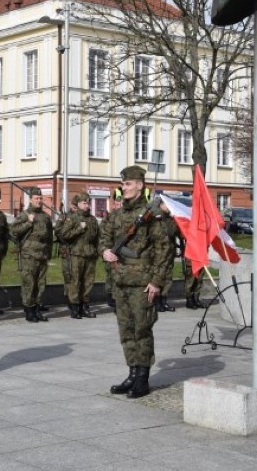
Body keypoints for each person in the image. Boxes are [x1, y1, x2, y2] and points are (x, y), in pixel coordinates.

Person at [100, 166, 172, 399]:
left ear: (140, 185)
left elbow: (164, 250)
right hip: (120, 280)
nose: (125, 187)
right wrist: (105, 251)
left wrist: (157, 282)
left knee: (142, 329)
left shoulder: (151, 215)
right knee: (126, 330)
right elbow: (103, 237)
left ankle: (142, 378)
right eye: (124, 184)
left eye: (129, 184)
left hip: (143, 282)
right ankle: (131, 373)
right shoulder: (117, 214)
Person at [10, 187, 54, 322]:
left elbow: (50, 237)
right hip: (29, 255)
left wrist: (49, 253)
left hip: (42, 254)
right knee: (29, 283)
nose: (39, 201)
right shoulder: (24, 215)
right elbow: (13, 232)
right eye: (36, 198)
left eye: (40, 198)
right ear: (30, 199)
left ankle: (37, 308)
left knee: (40, 284)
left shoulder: (46, 217)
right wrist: (28, 223)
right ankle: (29, 310)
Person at [56, 192, 100, 319]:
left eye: (88, 203)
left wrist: (97, 251)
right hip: (76, 254)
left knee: (88, 282)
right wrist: (79, 229)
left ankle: (85, 307)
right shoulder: (73, 218)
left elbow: (97, 238)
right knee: (75, 281)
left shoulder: (93, 219)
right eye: (84, 203)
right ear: (79, 204)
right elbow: (64, 235)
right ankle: (74, 308)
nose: (87, 206)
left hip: (90, 254)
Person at [154, 200, 180, 312]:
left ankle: (164, 300)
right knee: (158, 277)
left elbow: (174, 233)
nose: (168, 206)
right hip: (159, 254)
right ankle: (157, 301)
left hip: (169, 252)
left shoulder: (171, 219)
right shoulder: (156, 218)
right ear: (160, 205)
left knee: (168, 278)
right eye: (166, 204)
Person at [101, 194, 122, 309]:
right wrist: (107, 250)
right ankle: (111, 297)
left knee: (118, 276)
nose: (118, 206)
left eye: (120, 204)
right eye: (117, 204)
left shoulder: (125, 216)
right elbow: (105, 235)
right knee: (111, 276)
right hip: (111, 250)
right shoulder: (110, 217)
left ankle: (117, 297)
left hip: (122, 252)